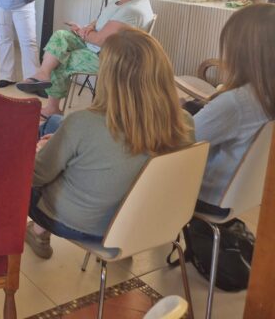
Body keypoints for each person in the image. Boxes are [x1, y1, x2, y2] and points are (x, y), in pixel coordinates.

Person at [25, 29, 194, 259]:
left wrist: (43, 151)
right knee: (57, 126)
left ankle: (37, 232)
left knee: (21, 170)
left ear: (108, 76)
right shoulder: (184, 123)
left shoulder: (83, 124)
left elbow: (35, 177)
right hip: (143, 223)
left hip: (82, 225)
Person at [18, 0, 163, 117]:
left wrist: (82, 32)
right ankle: (43, 74)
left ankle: (52, 107)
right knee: (60, 36)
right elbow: (105, 20)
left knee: (59, 58)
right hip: (96, 46)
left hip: (108, 57)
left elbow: (100, 40)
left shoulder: (132, 11)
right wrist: (90, 27)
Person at [193, 3, 274, 215]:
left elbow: (180, 140)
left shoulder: (236, 103)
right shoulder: (264, 95)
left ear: (241, 51)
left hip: (206, 194)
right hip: (244, 194)